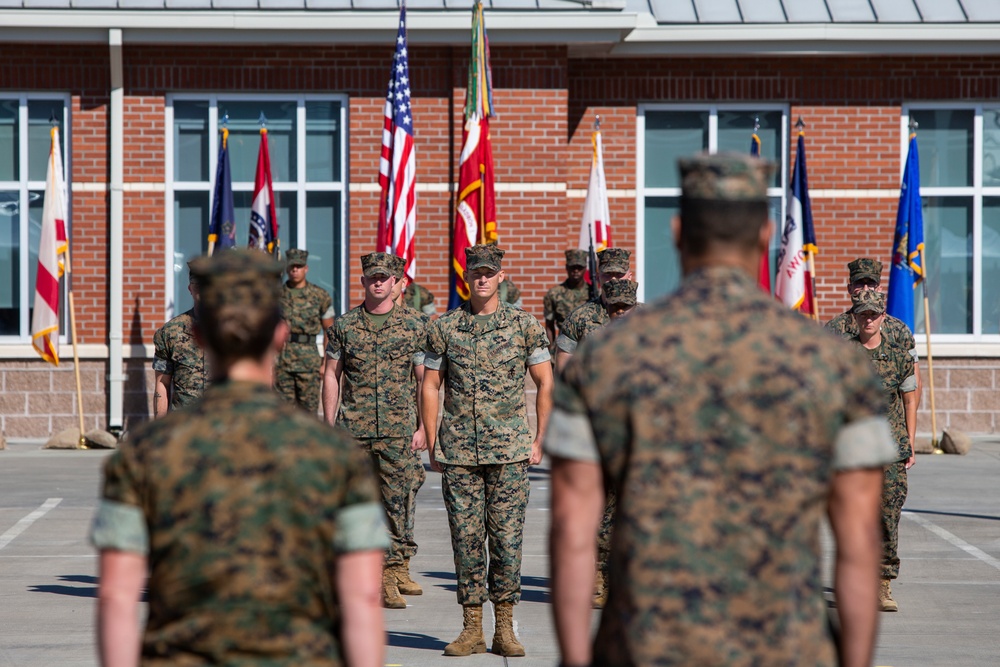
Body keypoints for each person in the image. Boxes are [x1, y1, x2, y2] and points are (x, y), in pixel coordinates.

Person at [546, 153, 896, 667]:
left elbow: (572, 533)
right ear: (766, 235)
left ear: (677, 231)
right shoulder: (833, 363)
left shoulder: (608, 357)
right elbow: (859, 542)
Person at [91, 249, 387, 667]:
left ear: (199, 336)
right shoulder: (335, 454)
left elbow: (117, 595)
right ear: (281, 336)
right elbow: (362, 595)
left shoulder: (145, 454)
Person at [421, 244, 553, 658]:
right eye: (475, 272)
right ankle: (472, 628)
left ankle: (506, 629)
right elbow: (429, 385)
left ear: (500, 276)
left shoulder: (524, 325)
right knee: (465, 539)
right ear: (467, 277)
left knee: (508, 540)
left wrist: (539, 440)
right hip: (459, 451)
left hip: (510, 451)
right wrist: (431, 437)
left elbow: (546, 384)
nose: (481, 278)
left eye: (488, 272)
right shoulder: (445, 327)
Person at [323, 252, 429, 610]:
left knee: (399, 502)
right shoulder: (345, 326)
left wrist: (424, 426)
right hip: (354, 429)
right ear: (364, 282)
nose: (379, 282)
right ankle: (376, 574)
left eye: (385, 277)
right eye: (373, 278)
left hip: (399, 430)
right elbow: (331, 376)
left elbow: (423, 381)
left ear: (396, 282)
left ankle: (396, 568)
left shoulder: (415, 325)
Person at [849, 289, 917, 613]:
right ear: (855, 316)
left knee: (888, 517)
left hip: (890, 448)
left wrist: (911, 444)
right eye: (863, 314)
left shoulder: (899, 356)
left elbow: (909, 401)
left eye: (873, 314)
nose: (868, 319)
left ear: (883, 318)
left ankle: (883, 581)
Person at [826, 257, 921, 418]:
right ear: (849, 288)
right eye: (859, 284)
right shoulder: (834, 330)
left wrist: (905, 429)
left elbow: (914, 385)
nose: (865, 289)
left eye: (870, 284)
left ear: (879, 288)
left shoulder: (898, 330)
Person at [276, 248, 335, 413]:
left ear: (306, 268)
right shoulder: (275, 295)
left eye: (299, 266)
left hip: (308, 362)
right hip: (282, 361)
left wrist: (325, 363)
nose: (295, 270)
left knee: (308, 413)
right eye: (292, 266)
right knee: (282, 413)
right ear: (287, 268)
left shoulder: (319, 295)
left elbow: (329, 330)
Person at [555, 247, 632, 371]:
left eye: (619, 274)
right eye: (607, 274)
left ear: (629, 277)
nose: (613, 280)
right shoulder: (579, 317)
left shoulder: (646, 316)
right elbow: (563, 370)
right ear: (598, 278)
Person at [152, 263, 208, 417]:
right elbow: (162, 384)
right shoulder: (170, 332)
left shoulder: (235, 329)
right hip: (185, 428)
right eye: (198, 286)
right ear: (190, 289)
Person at [543, 249, 590, 350]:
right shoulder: (554, 294)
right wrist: (550, 350)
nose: (576, 271)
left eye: (579, 267)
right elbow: (549, 325)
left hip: (588, 348)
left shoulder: (594, 293)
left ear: (585, 269)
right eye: (572, 267)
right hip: (564, 346)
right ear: (566, 268)